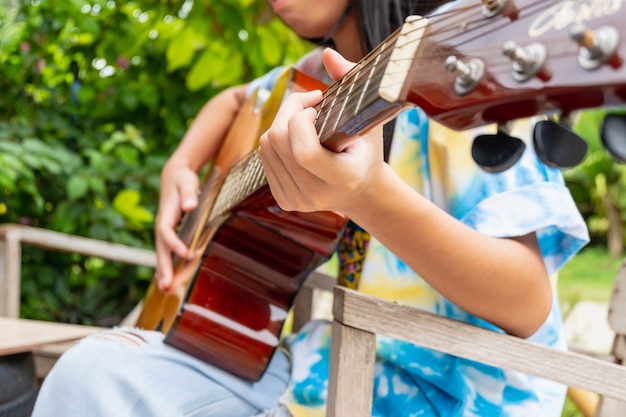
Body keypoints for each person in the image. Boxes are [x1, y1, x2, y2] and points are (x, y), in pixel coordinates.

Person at [32, 0, 589, 416]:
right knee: (88, 372)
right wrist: (180, 166)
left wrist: (365, 194)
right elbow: (233, 101)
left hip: (445, 399)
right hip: (318, 372)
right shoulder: (311, 77)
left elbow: (528, 300)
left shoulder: (459, 57)